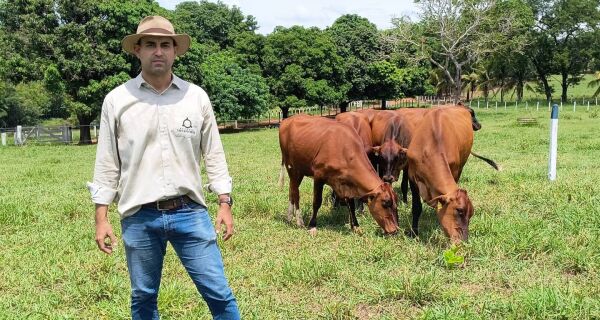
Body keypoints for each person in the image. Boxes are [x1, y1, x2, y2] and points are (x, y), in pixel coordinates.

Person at [87, 15, 240, 319]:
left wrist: (224, 202)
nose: (158, 51)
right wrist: (100, 217)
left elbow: (214, 153)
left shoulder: (195, 97)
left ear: (174, 51)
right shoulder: (117, 101)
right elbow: (107, 162)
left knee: (219, 293)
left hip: (190, 213)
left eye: (165, 45)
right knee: (143, 297)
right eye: (151, 45)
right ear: (138, 50)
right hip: (139, 216)